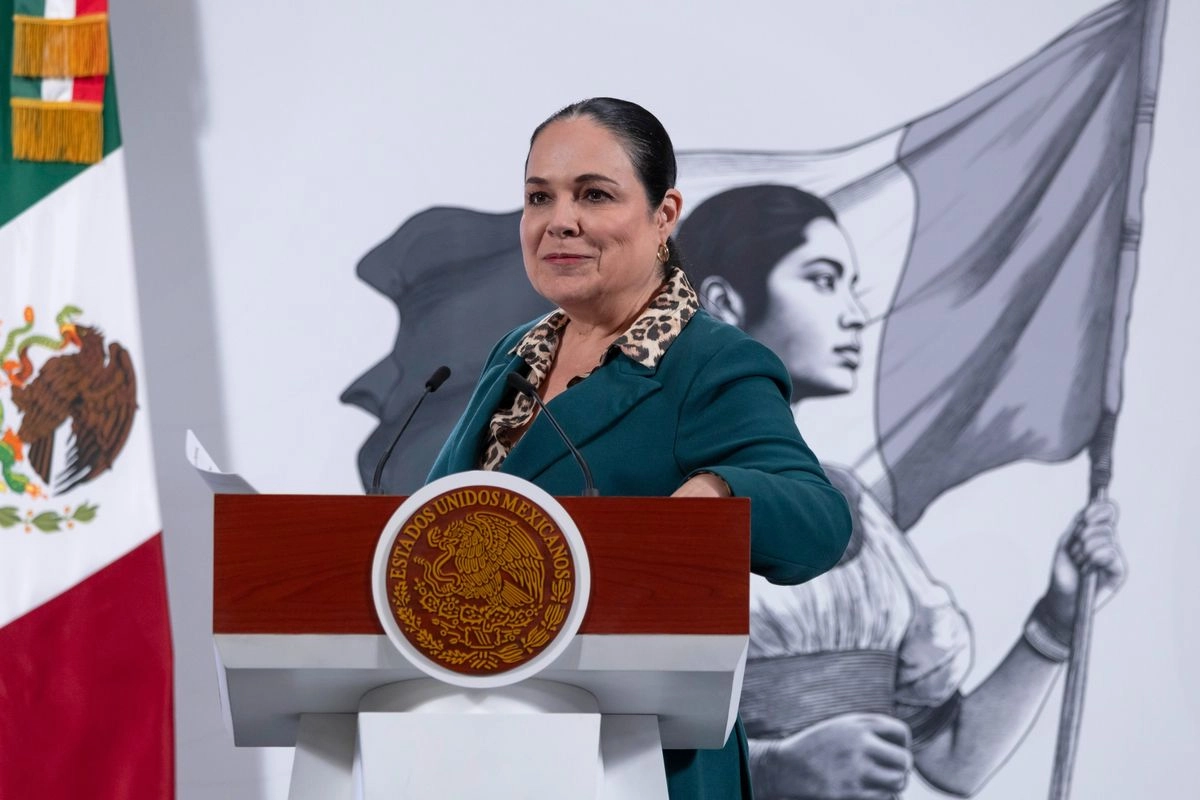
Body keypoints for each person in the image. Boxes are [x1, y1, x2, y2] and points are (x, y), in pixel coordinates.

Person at [426, 99, 853, 798]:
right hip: (489, 750)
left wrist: (720, 491)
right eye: (540, 197)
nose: (559, 219)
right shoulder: (519, 353)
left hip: (639, 764)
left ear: (664, 216)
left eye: (593, 194)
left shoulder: (709, 362)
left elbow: (818, 520)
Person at [678, 184, 1127, 799]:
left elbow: (952, 758)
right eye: (822, 279)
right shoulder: (658, 501)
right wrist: (769, 772)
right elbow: (606, 750)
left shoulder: (854, 505)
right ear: (724, 303)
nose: (856, 313)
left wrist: (1057, 617)